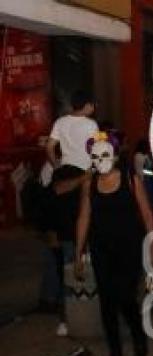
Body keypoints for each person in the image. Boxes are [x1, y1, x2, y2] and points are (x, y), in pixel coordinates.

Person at [74, 132, 153, 356]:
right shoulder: (89, 185)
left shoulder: (131, 179)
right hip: (102, 249)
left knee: (125, 297)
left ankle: (138, 335)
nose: (100, 160)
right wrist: (78, 253)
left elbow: (147, 214)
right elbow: (83, 217)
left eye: (104, 154)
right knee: (107, 302)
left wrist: (152, 245)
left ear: (115, 154)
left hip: (129, 248)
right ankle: (115, 352)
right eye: (95, 156)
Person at [46, 90, 99, 336]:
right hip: (84, 178)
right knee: (85, 233)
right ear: (87, 105)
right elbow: (99, 150)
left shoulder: (60, 122)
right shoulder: (91, 124)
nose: (94, 108)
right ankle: (89, 306)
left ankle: (65, 318)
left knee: (66, 240)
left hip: (64, 175)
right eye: (93, 104)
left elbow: (50, 147)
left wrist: (57, 164)